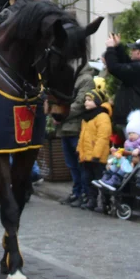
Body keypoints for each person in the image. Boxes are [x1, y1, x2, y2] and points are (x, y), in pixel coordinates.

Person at [58, 65, 97, 207]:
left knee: (81, 164)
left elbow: (80, 103)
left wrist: (60, 113)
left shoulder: (85, 79)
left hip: (76, 127)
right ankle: (77, 192)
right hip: (65, 127)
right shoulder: (68, 77)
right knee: (71, 164)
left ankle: (85, 193)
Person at [77, 89, 113, 210]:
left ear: (97, 102)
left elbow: (103, 137)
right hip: (86, 156)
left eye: (89, 100)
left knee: (100, 179)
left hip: (97, 157)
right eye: (85, 100)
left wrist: (96, 154)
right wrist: (79, 150)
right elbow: (82, 136)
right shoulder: (86, 118)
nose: (86, 102)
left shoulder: (102, 116)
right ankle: (92, 200)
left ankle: (106, 202)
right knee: (88, 179)